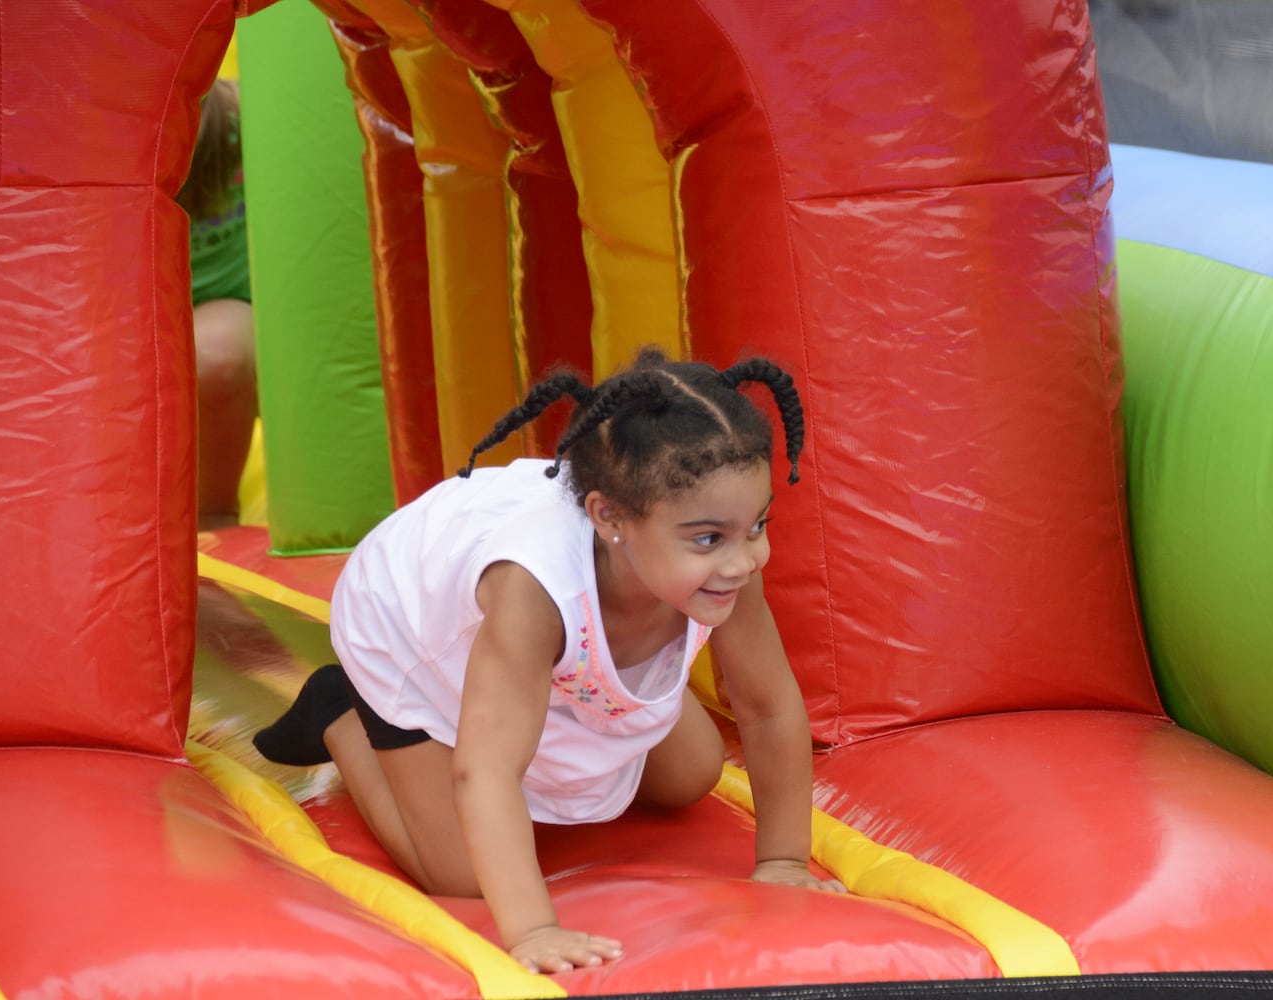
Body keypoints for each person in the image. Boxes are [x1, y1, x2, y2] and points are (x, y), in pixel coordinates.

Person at [253, 348, 844, 973]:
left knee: (691, 773)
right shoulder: (532, 590)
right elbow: (486, 773)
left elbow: (768, 706)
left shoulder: (721, 562)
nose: (744, 559)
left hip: (566, 637)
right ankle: (340, 713)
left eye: (758, 525)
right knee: (465, 875)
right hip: (410, 630)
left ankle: (560, 694)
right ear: (609, 517)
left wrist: (783, 862)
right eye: (709, 538)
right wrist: (533, 930)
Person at [178, 78, 256, 529]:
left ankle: (212, 521)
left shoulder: (243, 119)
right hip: (121, 307)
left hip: (223, 301)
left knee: (216, 355)